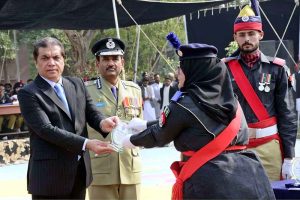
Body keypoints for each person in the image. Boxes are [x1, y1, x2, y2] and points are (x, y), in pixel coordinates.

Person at [122, 40, 275, 199]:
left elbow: (161, 135)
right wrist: (145, 124)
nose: (177, 73)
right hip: (249, 178)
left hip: (210, 182)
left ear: (194, 70)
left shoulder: (185, 104)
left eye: (181, 68)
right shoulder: (231, 101)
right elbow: (184, 122)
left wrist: (130, 140)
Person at [18, 37, 118, 200]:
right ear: (36, 62)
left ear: (64, 60)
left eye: (56, 57)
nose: (51, 63)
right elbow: (46, 129)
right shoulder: (29, 93)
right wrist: (86, 144)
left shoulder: (76, 83)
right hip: (49, 179)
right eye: (45, 58)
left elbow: (91, 112)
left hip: (79, 173)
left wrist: (102, 122)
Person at [224, 0, 297, 181]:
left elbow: (287, 114)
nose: (247, 39)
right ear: (235, 37)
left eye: (251, 33)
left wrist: (289, 156)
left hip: (269, 146)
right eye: (241, 34)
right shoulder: (223, 69)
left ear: (261, 34)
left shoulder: (278, 69)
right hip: (235, 147)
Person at [86, 37, 143, 200]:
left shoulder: (134, 90)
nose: (111, 63)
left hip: (131, 167)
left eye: (115, 58)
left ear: (122, 62)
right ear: (97, 63)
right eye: (105, 59)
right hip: (101, 170)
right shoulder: (85, 91)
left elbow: (140, 126)